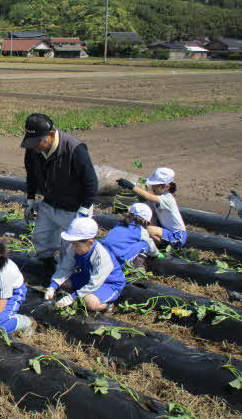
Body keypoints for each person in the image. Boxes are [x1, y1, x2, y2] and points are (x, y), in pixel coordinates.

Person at [21, 113, 98, 271]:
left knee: (69, 248)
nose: (35, 147)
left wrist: (84, 209)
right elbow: (31, 175)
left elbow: (91, 182)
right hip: (49, 203)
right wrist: (30, 200)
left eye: (37, 142)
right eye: (31, 142)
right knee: (41, 237)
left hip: (74, 208)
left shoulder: (74, 149)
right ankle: (48, 265)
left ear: (50, 135)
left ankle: (70, 275)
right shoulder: (33, 150)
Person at [44, 218, 125, 312]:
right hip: (88, 277)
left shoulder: (102, 257)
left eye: (75, 244)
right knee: (63, 284)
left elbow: (95, 283)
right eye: (72, 243)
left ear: (90, 242)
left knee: (89, 302)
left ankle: (107, 306)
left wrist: (72, 297)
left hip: (108, 283)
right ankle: (79, 294)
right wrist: (52, 286)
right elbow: (65, 268)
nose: (72, 247)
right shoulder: (75, 249)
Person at [117, 167, 187, 248]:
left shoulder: (168, 199)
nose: (153, 188)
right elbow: (142, 208)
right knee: (142, 223)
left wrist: (131, 186)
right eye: (153, 185)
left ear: (167, 186)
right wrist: (125, 210)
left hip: (177, 236)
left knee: (147, 230)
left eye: (156, 186)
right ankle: (155, 245)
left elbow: (148, 196)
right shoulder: (157, 198)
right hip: (163, 230)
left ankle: (163, 248)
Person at [101, 203, 160, 268]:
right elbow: (151, 245)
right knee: (145, 244)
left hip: (103, 254)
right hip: (117, 260)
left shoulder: (120, 224)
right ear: (144, 221)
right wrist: (158, 254)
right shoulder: (140, 230)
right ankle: (135, 269)